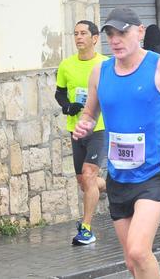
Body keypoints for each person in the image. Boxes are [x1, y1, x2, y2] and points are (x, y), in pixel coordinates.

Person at [72, 8, 160, 279]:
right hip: (118, 175)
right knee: (132, 261)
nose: (115, 40)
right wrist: (85, 123)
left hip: (155, 171)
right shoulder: (99, 72)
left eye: (122, 33)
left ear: (139, 32)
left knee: (139, 251)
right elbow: (90, 113)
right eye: (111, 34)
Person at [55, 20, 109, 246]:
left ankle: (86, 229)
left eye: (83, 33)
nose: (79, 37)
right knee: (84, 182)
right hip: (76, 129)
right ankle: (113, 185)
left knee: (88, 175)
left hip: (99, 128)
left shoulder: (106, 64)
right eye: (76, 33)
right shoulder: (66, 65)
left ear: (95, 38)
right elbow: (60, 94)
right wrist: (67, 107)